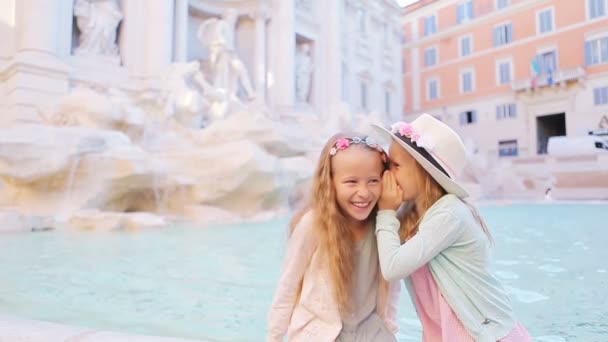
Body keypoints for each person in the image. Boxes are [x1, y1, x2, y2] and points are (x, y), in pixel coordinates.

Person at [371, 114, 531, 342]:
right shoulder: (412, 215)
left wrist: (386, 212)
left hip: (486, 334)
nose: (387, 173)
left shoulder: (449, 214)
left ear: (424, 172)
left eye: (395, 166)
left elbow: (393, 267)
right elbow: (381, 247)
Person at [267, 134, 400, 341]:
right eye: (351, 182)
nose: (363, 192)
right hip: (321, 333)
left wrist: (390, 329)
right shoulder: (313, 225)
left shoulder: (384, 225)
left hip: (371, 332)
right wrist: (274, 338)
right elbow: (287, 288)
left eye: (373, 181)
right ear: (330, 182)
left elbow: (393, 287)